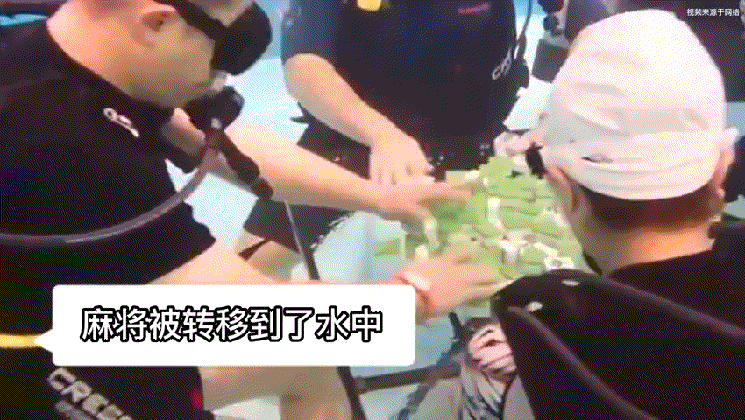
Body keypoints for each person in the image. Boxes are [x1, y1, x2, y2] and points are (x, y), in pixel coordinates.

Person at [0, 1, 500, 419]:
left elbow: (228, 145)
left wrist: (383, 198)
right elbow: (251, 317)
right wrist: (415, 296)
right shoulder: (63, 146)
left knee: (310, 364)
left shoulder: (60, 53)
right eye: (224, 48)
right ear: (156, 22)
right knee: (305, 339)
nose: (223, 75)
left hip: (63, 307)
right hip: (33, 357)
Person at [460, 9, 743, 420]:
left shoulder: (544, 341)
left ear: (566, 192)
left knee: (482, 361)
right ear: (722, 168)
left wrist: (412, 297)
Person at [236, 0, 542, 278]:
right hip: (358, 133)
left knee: (528, 260)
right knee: (250, 269)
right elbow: (304, 68)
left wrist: (554, 120)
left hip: (475, 127)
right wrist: (382, 136)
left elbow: (571, 25)